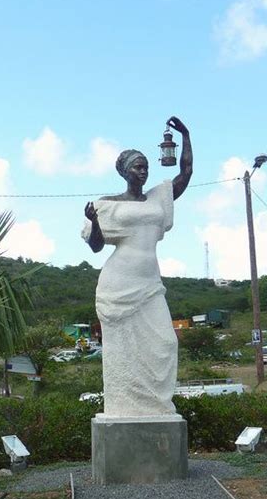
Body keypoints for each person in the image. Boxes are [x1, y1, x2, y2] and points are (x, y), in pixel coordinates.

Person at [82, 116, 193, 417]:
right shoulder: (108, 204)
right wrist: (94, 222)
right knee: (123, 353)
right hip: (118, 283)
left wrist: (185, 135)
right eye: (137, 166)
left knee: (167, 343)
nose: (143, 171)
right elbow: (95, 245)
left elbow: (186, 173)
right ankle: (124, 407)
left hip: (149, 284)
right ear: (124, 171)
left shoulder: (158, 198)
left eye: (146, 166)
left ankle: (156, 407)